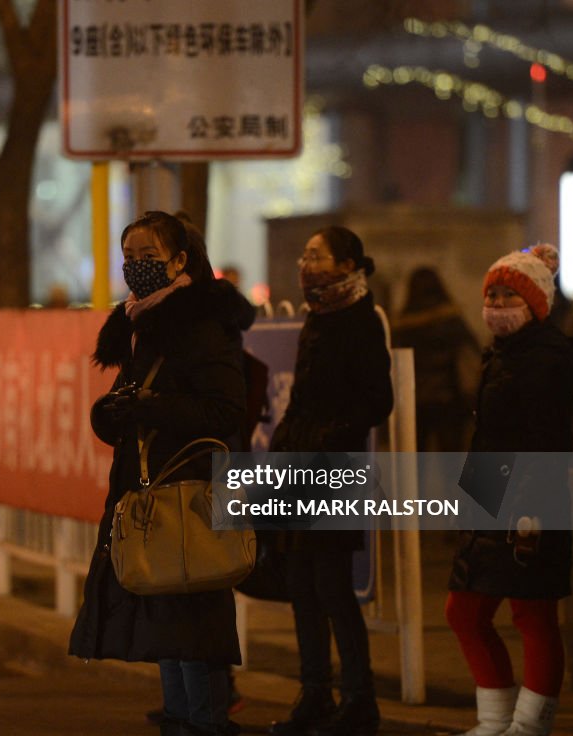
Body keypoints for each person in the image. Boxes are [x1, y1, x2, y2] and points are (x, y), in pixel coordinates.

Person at [69, 210, 255, 736]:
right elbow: (146, 403)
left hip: (192, 494)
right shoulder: (141, 320)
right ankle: (182, 721)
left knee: (193, 626)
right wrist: (115, 414)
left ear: (179, 260)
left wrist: (148, 408)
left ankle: (205, 723)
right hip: (152, 490)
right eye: (128, 258)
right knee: (166, 622)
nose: (136, 268)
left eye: (148, 258)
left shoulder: (198, 323)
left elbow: (224, 411)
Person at [445, 244, 573, 736]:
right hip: (490, 493)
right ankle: (495, 720)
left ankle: (528, 725)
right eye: (492, 293)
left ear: (536, 304)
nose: (498, 303)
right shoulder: (500, 355)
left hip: (528, 500)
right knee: (463, 611)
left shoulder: (545, 359)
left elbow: (545, 442)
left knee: (532, 612)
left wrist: (530, 511)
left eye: (509, 295)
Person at [268, 226, 393, 736]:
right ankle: (314, 692)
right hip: (298, 467)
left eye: (317, 257)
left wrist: (330, 433)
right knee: (300, 584)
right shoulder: (316, 318)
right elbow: (301, 397)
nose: (307, 264)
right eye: (305, 256)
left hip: (335, 471)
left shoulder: (360, 321)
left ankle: (359, 699)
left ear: (347, 266)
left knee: (333, 587)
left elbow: (377, 401)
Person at [392, 267, 480, 451]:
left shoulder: (403, 324)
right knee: (450, 459)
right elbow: (473, 352)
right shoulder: (451, 319)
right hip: (450, 399)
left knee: (414, 460)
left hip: (413, 400)